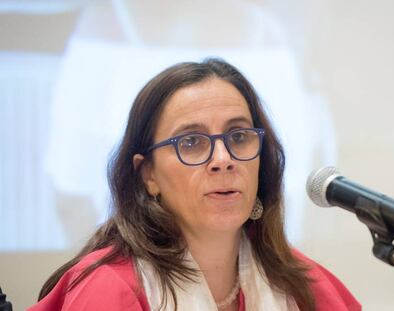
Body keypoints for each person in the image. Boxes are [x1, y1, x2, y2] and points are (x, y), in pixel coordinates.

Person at [28, 59, 361, 311]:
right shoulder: (107, 289)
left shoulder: (304, 285)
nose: (222, 159)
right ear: (149, 175)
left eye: (239, 136)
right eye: (191, 142)